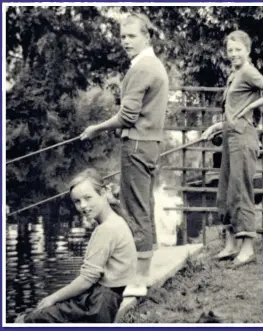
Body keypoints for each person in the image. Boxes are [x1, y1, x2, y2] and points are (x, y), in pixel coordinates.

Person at [80, 13, 169, 296]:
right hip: (149, 144)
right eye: (122, 37)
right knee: (144, 204)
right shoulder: (151, 64)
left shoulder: (142, 67)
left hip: (137, 144)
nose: (126, 42)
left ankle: (140, 280)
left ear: (147, 36)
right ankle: (142, 271)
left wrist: (96, 128)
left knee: (134, 208)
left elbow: (127, 116)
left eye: (131, 36)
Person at [19, 168, 137, 323]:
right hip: (106, 296)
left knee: (30, 319)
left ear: (103, 192)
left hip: (99, 304)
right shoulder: (115, 220)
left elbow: (86, 280)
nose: (83, 206)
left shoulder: (107, 229)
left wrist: (51, 298)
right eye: (77, 201)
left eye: (88, 197)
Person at [201, 30, 263, 268]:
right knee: (225, 190)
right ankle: (231, 244)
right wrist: (216, 126)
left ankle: (247, 249)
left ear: (247, 51)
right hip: (229, 137)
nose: (234, 54)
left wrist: (251, 106)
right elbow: (232, 110)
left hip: (244, 137)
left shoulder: (249, 71)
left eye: (238, 49)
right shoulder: (234, 75)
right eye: (230, 50)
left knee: (241, 190)